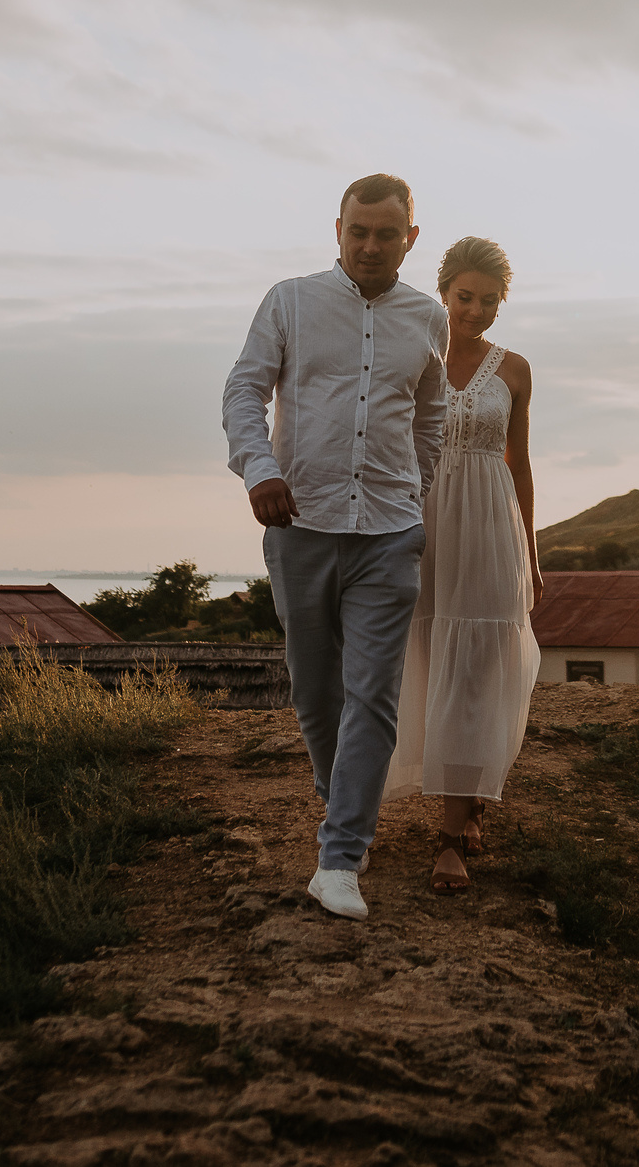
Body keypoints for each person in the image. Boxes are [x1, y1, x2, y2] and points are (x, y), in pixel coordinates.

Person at [222, 173, 448, 921]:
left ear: (410, 237)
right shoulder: (288, 300)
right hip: (301, 525)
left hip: (390, 531)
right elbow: (244, 390)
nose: (372, 245)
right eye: (360, 231)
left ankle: (340, 855)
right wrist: (261, 468)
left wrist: (419, 490)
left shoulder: (428, 317)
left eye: (388, 233)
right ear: (339, 230)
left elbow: (430, 415)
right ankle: (342, 796)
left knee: (372, 695)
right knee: (315, 693)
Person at [386, 236, 543, 894]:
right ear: (444, 291)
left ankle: (453, 833)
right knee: (419, 652)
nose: (475, 310)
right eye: (464, 297)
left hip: (488, 530)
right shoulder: (411, 353)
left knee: (475, 663)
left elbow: (520, 463)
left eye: (489, 300)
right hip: (421, 524)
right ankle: (450, 792)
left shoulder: (515, 370)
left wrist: (531, 551)